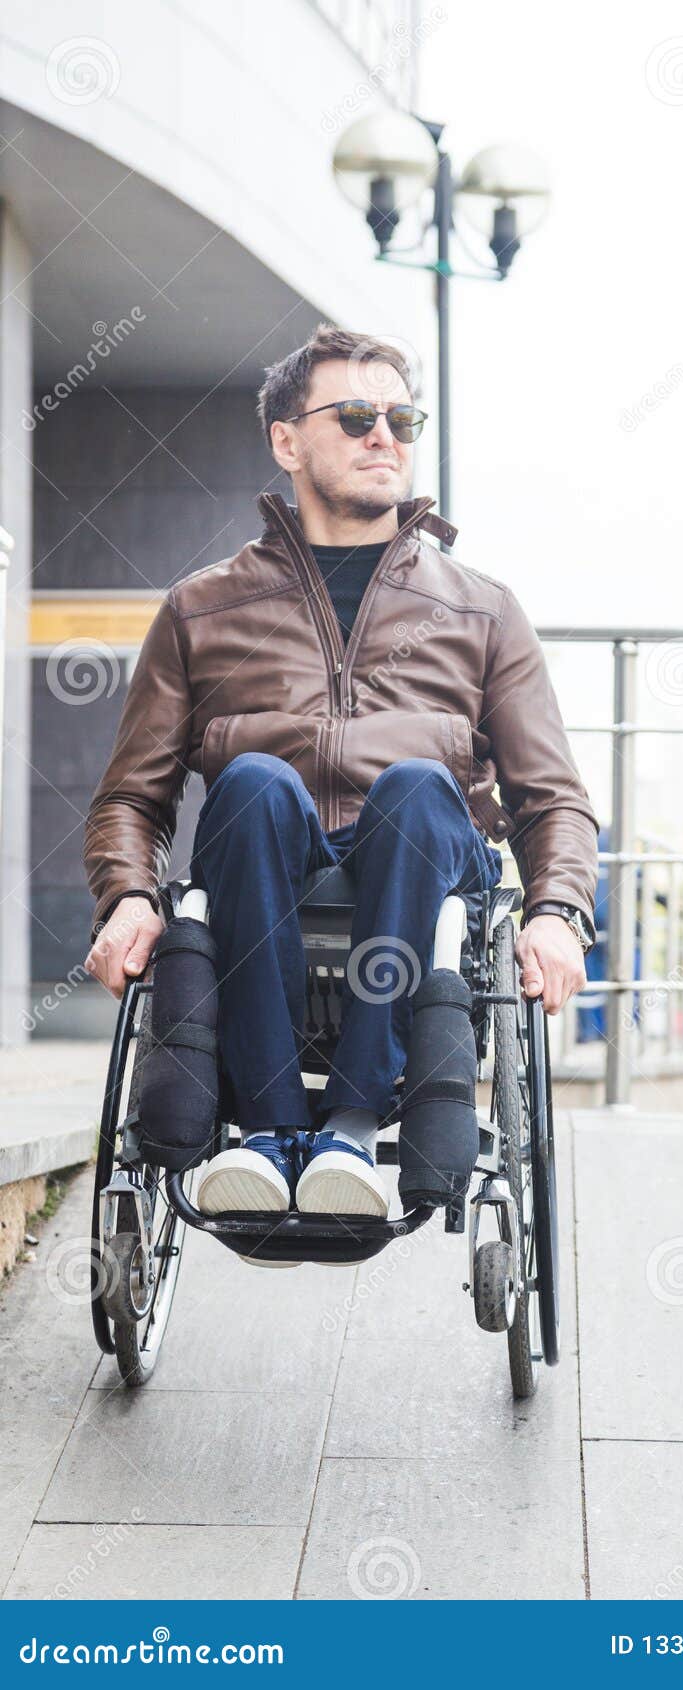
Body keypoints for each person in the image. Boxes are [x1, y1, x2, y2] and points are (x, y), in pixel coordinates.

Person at [83, 325, 598, 1223]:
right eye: (356, 414)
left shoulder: (480, 610)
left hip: (423, 871)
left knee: (416, 787)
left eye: (402, 417)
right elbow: (134, 794)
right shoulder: (201, 608)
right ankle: (273, 1134)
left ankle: (352, 1128)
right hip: (262, 872)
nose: (384, 435)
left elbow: (551, 797)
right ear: (287, 440)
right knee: (250, 781)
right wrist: (127, 895)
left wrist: (556, 912)